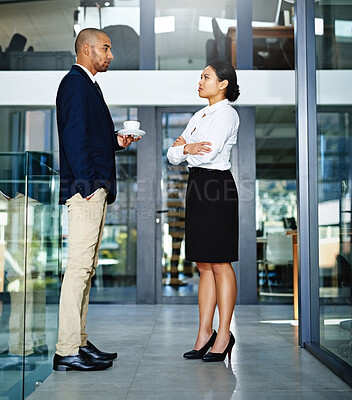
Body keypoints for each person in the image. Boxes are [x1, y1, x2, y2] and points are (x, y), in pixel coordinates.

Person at [54, 28, 140, 371]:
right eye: (106, 48)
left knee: (86, 270)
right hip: (86, 190)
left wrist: (114, 142)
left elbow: (88, 135)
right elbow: (74, 136)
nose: (111, 54)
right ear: (87, 50)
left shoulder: (89, 85)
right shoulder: (74, 83)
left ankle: (80, 342)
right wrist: (88, 186)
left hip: (93, 187)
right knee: (77, 270)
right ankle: (65, 351)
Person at [167, 61, 240, 362]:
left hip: (217, 186)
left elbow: (208, 152)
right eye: (200, 76)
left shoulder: (227, 114)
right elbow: (172, 155)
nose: (200, 81)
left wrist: (188, 146)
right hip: (196, 185)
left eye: (206, 77)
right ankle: (204, 333)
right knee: (202, 264)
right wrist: (186, 148)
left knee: (220, 262)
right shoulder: (199, 115)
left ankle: (224, 334)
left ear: (222, 84)